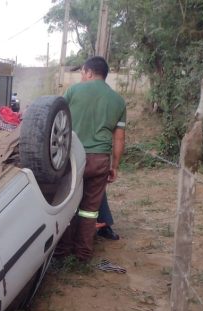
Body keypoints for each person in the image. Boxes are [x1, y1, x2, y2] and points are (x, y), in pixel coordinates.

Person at [55, 56, 126, 261]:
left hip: (72, 159)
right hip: (100, 160)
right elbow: (119, 137)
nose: (81, 76)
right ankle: (83, 254)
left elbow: (56, 121)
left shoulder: (73, 91)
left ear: (88, 72)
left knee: (67, 205)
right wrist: (115, 165)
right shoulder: (118, 100)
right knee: (90, 211)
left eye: (82, 73)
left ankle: (62, 253)